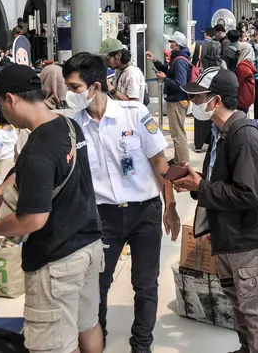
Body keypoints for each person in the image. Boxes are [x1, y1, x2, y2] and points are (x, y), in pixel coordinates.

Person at [0, 64, 104, 353]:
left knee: (54, 345)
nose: (4, 114)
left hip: (56, 259)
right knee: (87, 324)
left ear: (10, 99)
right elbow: (29, 174)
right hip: (88, 246)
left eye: (1, 105)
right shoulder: (67, 126)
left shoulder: (38, 148)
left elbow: (32, 220)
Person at [62, 53, 181, 352]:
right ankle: (96, 339)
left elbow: (159, 163)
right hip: (102, 218)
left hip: (145, 212)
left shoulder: (134, 113)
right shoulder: (73, 127)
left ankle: (141, 345)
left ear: (96, 86)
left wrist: (171, 207)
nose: (69, 94)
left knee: (145, 284)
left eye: (74, 87)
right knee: (97, 286)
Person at [172, 67, 258, 353]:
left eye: (199, 98)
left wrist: (202, 187)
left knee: (253, 306)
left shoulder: (244, 137)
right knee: (237, 301)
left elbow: (248, 193)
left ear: (216, 101)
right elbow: (220, 183)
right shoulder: (221, 133)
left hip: (246, 238)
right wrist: (195, 184)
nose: (194, 104)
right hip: (227, 235)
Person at [147, 31, 192, 165]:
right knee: (176, 132)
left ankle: (182, 162)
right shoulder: (177, 57)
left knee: (178, 134)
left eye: (171, 42)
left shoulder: (179, 61)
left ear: (176, 45)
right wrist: (155, 61)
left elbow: (180, 84)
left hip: (177, 101)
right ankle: (179, 159)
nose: (169, 44)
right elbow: (168, 70)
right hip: (176, 99)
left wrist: (164, 79)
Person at [101, 38, 147, 103]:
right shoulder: (119, 71)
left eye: (107, 59)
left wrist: (111, 88)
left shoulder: (132, 72)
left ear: (118, 55)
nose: (106, 62)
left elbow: (132, 102)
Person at [236, 42, 258, 113]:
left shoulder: (242, 67)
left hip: (242, 98)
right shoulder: (249, 64)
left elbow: (237, 83)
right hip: (247, 97)